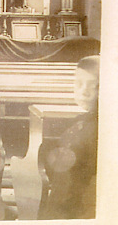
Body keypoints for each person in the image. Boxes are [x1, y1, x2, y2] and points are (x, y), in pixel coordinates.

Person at [40, 55, 100, 220]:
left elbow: (66, 185)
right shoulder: (85, 123)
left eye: (96, 86)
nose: (84, 92)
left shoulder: (86, 128)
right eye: (78, 83)